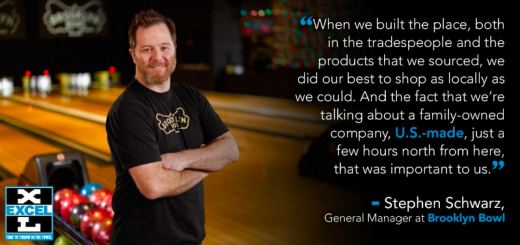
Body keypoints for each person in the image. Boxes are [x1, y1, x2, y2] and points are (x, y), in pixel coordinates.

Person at [106, 9, 239, 245]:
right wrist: (206, 166)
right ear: (133, 54)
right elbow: (153, 186)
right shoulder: (129, 109)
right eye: (147, 49)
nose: (157, 56)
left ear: (175, 50)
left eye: (164, 47)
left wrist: (182, 159)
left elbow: (230, 150)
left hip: (192, 238)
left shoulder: (192, 97)